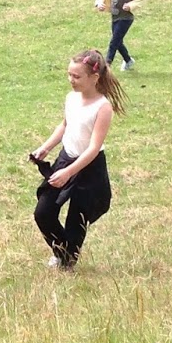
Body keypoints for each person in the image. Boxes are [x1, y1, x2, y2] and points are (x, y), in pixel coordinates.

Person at [29, 48, 125, 270]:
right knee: (43, 212)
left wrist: (69, 172)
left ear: (94, 78)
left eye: (76, 76)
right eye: (69, 75)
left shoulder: (103, 107)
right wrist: (45, 148)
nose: (71, 80)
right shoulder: (71, 98)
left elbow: (93, 148)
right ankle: (62, 253)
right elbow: (65, 125)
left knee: (76, 221)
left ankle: (67, 262)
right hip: (66, 160)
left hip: (89, 168)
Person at [94, 0, 150, 70]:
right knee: (118, 41)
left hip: (126, 18)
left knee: (114, 42)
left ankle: (106, 66)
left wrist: (131, 5)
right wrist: (99, 3)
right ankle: (128, 60)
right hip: (115, 16)